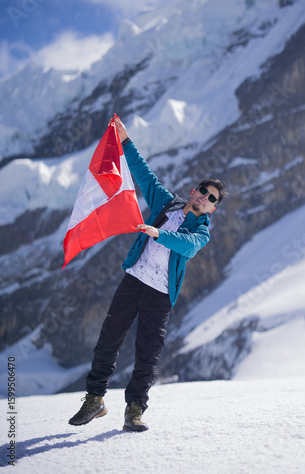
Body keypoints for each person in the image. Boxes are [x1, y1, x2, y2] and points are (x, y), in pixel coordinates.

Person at [68, 116, 225, 431]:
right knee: (108, 341)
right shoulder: (167, 204)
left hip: (159, 295)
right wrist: (125, 140)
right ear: (194, 191)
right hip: (134, 280)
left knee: (147, 355)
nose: (204, 198)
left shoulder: (202, 231)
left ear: (212, 209)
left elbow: (188, 246)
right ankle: (94, 400)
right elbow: (144, 174)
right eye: (203, 192)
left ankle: (134, 411)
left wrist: (159, 234)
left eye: (211, 199)